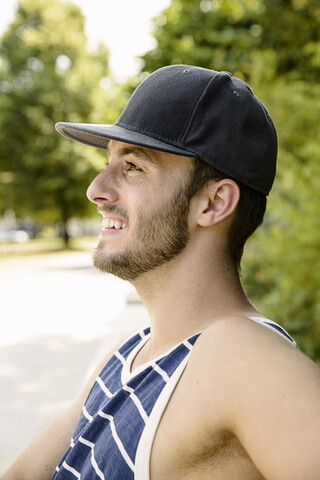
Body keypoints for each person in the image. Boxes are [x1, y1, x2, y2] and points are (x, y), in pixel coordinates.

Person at [3, 65, 320, 480]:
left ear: (212, 203)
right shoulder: (126, 356)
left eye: (133, 166)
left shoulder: (240, 355)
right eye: (109, 160)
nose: (95, 189)